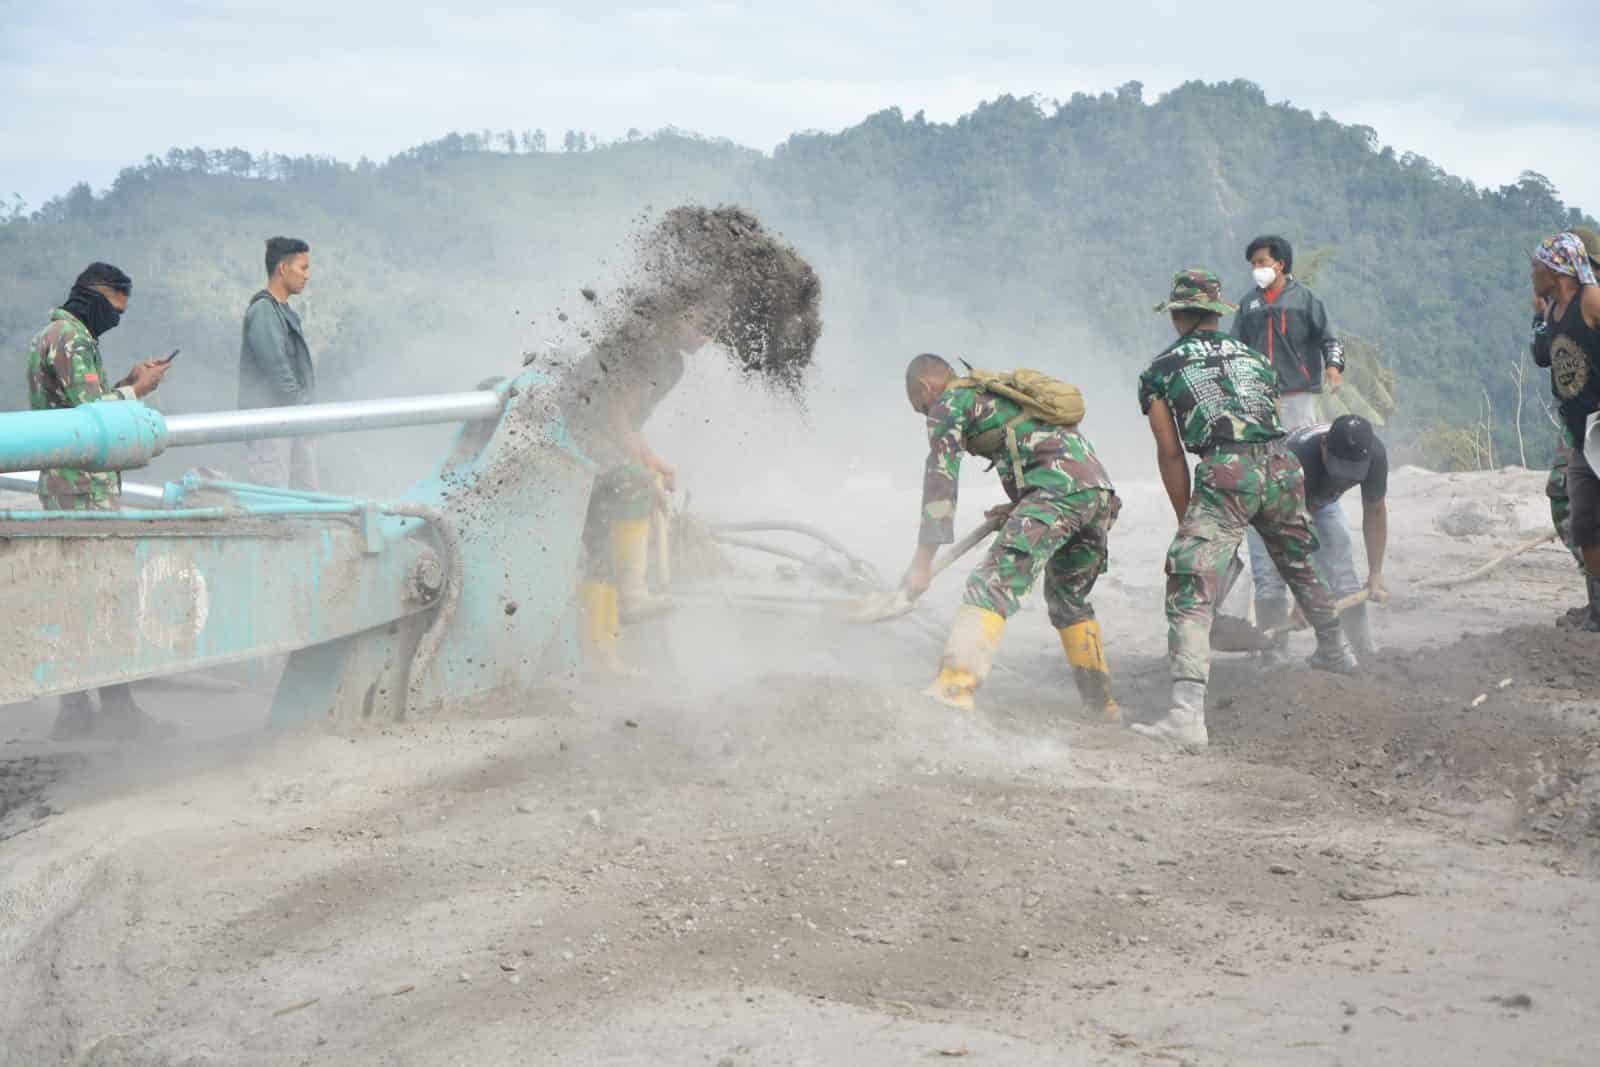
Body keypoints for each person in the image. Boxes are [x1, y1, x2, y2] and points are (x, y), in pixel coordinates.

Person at [557, 206, 822, 674]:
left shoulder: (671, 361)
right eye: (701, 322)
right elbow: (612, 412)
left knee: (602, 547)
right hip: (570, 443)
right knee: (634, 487)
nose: (707, 334)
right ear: (676, 309)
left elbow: (623, 420)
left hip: (591, 448)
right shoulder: (643, 343)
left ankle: (602, 656)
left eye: (715, 327)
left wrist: (647, 461)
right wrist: (650, 463)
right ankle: (634, 597)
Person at [1136, 268, 1357, 750]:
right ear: (1216, 315)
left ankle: (1186, 715)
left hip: (1226, 470)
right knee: (1299, 563)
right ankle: (1337, 653)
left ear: (1177, 315)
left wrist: (1188, 523)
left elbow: (1171, 453)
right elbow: (1267, 420)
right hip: (1281, 465)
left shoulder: (1160, 369)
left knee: (1191, 581)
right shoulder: (1255, 359)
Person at [901, 355, 1120, 718]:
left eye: (920, 407)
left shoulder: (948, 404)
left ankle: (953, 689)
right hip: (1097, 494)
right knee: (1068, 598)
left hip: (1056, 494)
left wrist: (921, 564)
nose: (926, 415)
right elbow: (1040, 448)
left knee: (992, 581)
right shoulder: (995, 395)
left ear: (926, 387)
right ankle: (1103, 706)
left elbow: (941, 482)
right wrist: (1019, 504)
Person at [26, 261, 175, 741]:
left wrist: (126, 381)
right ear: (96, 294)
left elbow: (76, 409)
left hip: (61, 485)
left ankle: (75, 710)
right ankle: (116, 709)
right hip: (85, 488)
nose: (115, 319)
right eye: (115, 308)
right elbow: (94, 418)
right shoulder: (73, 341)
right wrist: (137, 391)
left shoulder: (49, 335)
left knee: (74, 598)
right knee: (107, 594)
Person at [1251, 416, 1390, 657]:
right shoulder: (1292, 459)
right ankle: (1272, 658)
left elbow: (1375, 511)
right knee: (1270, 578)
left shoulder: (1374, 455)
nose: (1342, 479)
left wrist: (1375, 572)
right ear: (1324, 444)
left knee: (1341, 567)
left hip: (1319, 500)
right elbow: (1288, 534)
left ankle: (1363, 651)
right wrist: (1302, 596)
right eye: (1339, 468)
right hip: (1268, 504)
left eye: (1352, 474)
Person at [1529, 231, 1600, 630]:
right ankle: (1598, 612)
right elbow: (1542, 357)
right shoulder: (1553, 309)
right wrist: (1538, 314)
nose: (1532, 275)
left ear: (1557, 269)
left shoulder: (1591, 298)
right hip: (1579, 432)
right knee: (1583, 522)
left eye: (1536, 267)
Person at [1230, 235, 1345, 430]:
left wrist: (1333, 368)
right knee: (1263, 449)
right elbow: (1234, 346)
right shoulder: (1248, 304)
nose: (1256, 269)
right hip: (1259, 393)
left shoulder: (1305, 299)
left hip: (1298, 393)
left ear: (1280, 264)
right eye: (1253, 264)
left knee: (1299, 446)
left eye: (1261, 262)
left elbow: (1330, 339)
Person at [239, 236, 318, 489]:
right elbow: (277, 371)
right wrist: (305, 410)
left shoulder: (283, 312)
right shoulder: (264, 310)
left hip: (289, 421)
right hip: (271, 426)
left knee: (307, 500)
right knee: (275, 503)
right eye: (303, 268)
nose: (307, 276)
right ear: (283, 269)